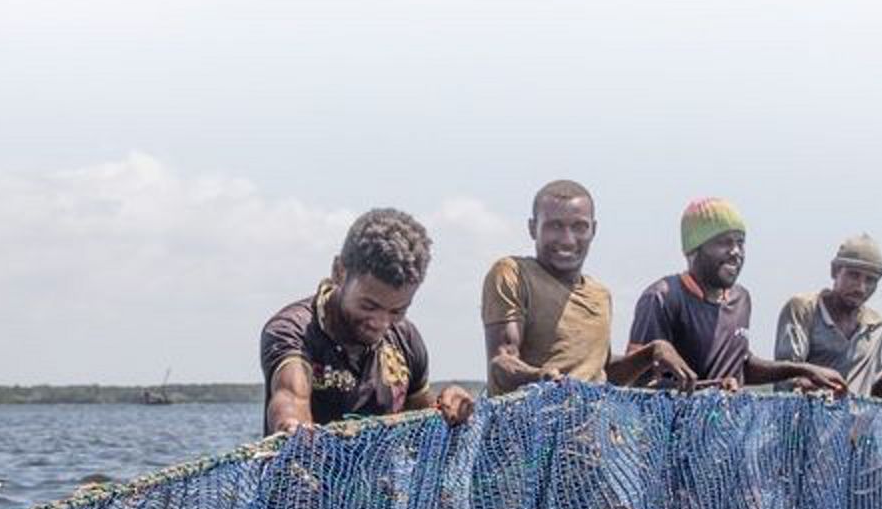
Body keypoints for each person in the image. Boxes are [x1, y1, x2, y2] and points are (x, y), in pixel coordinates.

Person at [261, 207, 478, 434]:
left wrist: (450, 408)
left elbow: (422, 418)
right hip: (304, 467)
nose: (381, 323)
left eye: (397, 310)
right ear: (339, 272)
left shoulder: (406, 339)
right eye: (369, 306)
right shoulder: (293, 330)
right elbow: (290, 399)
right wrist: (292, 426)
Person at [481, 181, 694, 395]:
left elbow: (601, 373)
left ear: (593, 230)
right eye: (555, 226)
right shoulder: (513, 273)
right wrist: (539, 379)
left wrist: (652, 352)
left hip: (592, 426)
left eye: (579, 227)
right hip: (527, 424)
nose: (567, 240)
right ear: (532, 228)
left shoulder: (600, 295)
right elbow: (501, 361)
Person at [626, 198, 848, 392]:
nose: (735, 252)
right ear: (694, 249)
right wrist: (711, 389)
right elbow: (638, 382)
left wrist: (802, 370)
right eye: (724, 242)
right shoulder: (663, 298)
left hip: (727, 436)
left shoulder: (741, 299)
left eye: (740, 242)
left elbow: (741, 365)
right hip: (673, 436)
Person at [773, 235, 882, 391]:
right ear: (835, 271)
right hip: (804, 413)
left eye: (870, 280)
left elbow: (873, 380)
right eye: (853, 275)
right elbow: (787, 376)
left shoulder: (875, 325)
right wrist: (826, 390)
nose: (861, 288)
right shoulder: (804, 309)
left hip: (856, 415)